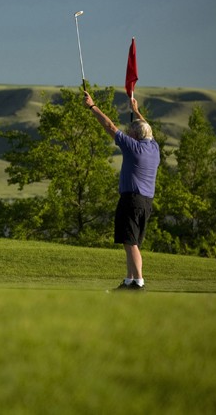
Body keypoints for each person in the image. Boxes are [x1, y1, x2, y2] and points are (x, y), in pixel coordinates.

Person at [83, 91, 160, 291]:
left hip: (131, 200)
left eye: (131, 131)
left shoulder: (133, 147)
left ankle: (138, 283)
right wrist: (136, 111)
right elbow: (147, 131)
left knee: (130, 242)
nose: (128, 133)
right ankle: (129, 281)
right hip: (146, 202)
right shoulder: (154, 148)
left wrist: (92, 106)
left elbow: (110, 126)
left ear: (134, 135)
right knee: (131, 242)